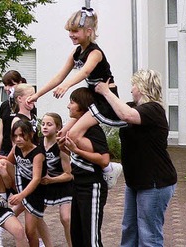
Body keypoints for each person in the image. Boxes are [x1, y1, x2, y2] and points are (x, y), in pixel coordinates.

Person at [26, 8, 123, 189]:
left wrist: (67, 86)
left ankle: (107, 166)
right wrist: (37, 95)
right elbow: (59, 76)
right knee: (62, 136)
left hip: (104, 98)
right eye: (69, 31)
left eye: (75, 31)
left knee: (74, 135)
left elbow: (86, 71)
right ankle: (79, 164)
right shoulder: (76, 52)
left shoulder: (95, 53)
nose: (71, 35)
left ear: (89, 31)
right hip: (91, 97)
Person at [94, 69, 177, 247]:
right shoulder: (132, 106)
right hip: (136, 181)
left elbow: (126, 116)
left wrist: (106, 92)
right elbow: (110, 112)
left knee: (149, 235)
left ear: (142, 86)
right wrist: (106, 92)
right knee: (129, 229)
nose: (131, 89)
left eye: (133, 85)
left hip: (155, 182)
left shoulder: (154, 109)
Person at [60, 88, 110, 247]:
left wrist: (76, 150)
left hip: (92, 186)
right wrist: (65, 148)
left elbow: (104, 160)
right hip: (77, 185)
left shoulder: (93, 130)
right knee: (77, 235)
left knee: (91, 238)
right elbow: (74, 155)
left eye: (72, 102)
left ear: (82, 105)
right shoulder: (76, 129)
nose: (68, 106)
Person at [0, 120, 49, 247]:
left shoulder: (38, 153)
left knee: (30, 231)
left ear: (31, 134)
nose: (18, 139)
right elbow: (7, 161)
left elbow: (36, 179)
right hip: (21, 185)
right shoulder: (16, 148)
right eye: (15, 136)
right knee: (0, 163)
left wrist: (21, 196)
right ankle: (2, 195)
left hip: (36, 191)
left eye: (22, 135)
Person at [39, 112, 73, 247]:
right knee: (35, 215)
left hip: (62, 184)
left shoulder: (61, 146)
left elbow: (69, 174)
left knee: (66, 218)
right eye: (43, 124)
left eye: (49, 124)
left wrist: (52, 180)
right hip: (44, 184)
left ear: (58, 128)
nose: (45, 127)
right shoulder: (38, 143)